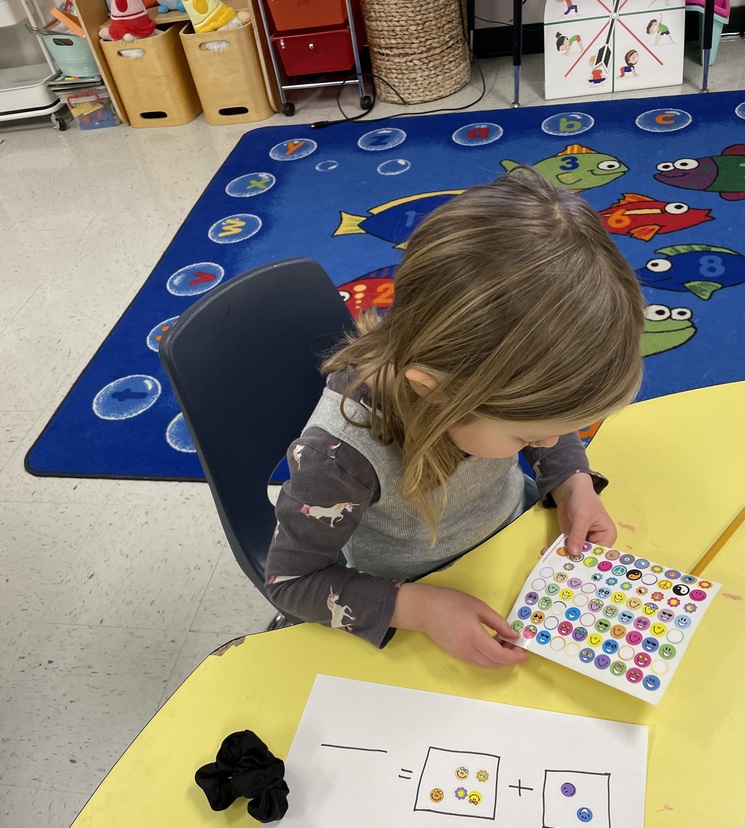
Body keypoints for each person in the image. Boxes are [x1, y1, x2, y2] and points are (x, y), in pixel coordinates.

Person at [265, 171, 646, 668]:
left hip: (508, 543)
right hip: (413, 599)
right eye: (528, 435)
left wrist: (573, 483)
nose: (551, 440)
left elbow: (545, 422)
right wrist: (420, 608)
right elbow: (291, 583)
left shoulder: (488, 394)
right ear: (437, 391)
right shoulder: (336, 460)